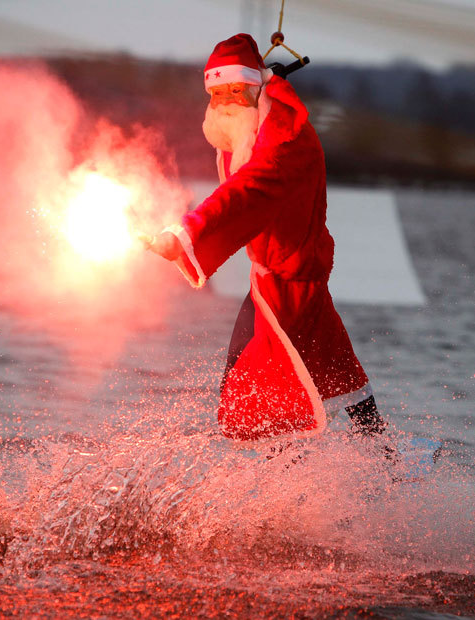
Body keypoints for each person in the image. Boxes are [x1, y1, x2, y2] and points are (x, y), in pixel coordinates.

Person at [147, 33, 385, 441]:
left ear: (256, 85)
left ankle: (290, 482)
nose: (225, 101)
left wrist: (186, 234)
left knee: (255, 387)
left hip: (290, 281)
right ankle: (384, 456)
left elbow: (247, 192)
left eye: (235, 90)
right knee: (335, 368)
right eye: (217, 92)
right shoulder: (254, 129)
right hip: (282, 276)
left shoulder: (285, 143)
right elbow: (237, 196)